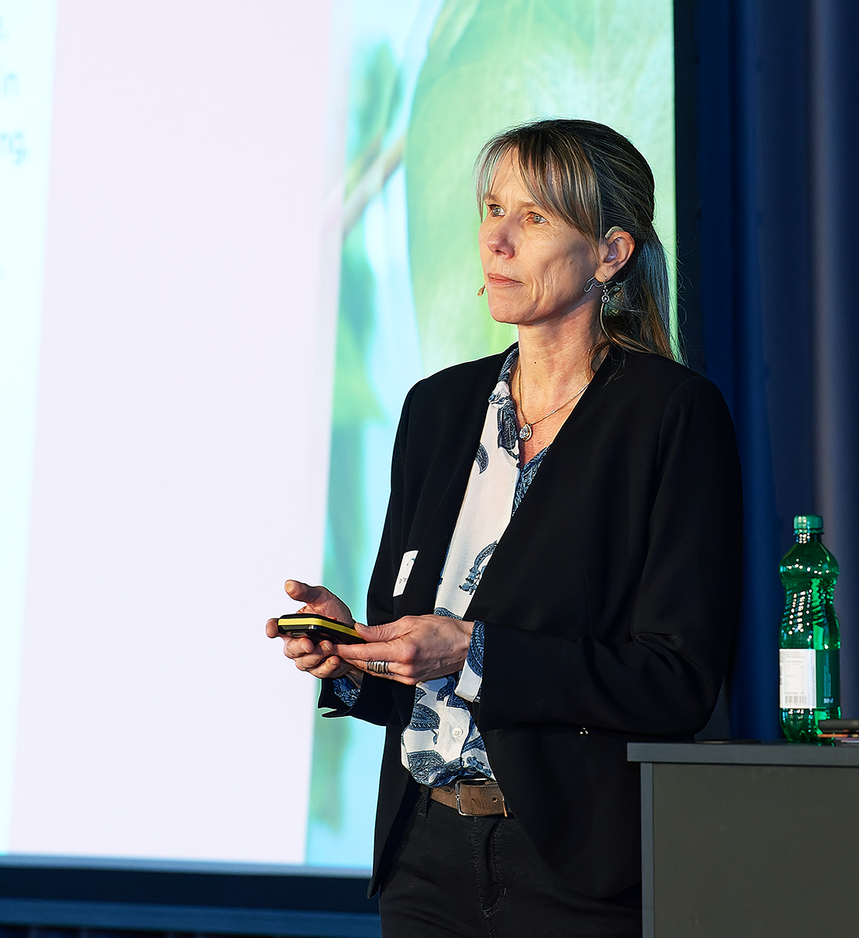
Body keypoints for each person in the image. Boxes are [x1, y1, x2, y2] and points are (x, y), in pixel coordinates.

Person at [265, 118, 743, 937]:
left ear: (611, 254)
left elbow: (676, 680)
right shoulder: (437, 409)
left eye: (534, 217)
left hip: (574, 869)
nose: (496, 238)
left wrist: (474, 652)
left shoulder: (669, 415)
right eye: (492, 208)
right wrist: (352, 655)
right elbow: (415, 668)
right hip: (423, 858)